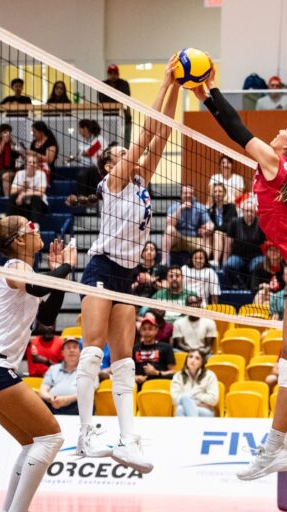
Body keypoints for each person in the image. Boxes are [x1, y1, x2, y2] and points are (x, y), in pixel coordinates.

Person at [195, 60, 287, 480]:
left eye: (286, 132)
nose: (279, 132)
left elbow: (237, 128)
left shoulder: (275, 164)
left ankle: (272, 447)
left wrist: (206, 93)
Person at [73, 61, 179, 473]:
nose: (126, 157)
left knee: (124, 360)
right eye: (118, 156)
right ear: (109, 166)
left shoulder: (139, 185)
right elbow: (147, 133)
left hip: (126, 275)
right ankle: (84, 434)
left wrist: (180, 89)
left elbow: (163, 132)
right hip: (100, 267)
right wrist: (166, 79)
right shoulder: (113, 182)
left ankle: (128, 440)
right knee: (92, 349)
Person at [0, 216, 73, 512]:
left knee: (32, 443)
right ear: (19, 241)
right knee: (51, 437)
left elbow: (48, 316)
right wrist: (66, 266)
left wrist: (58, 275)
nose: (36, 227)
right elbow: (38, 289)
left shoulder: (26, 271)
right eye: (30, 226)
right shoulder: (14, 267)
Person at [161, 184, 213, 265]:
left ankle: (205, 264)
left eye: (190, 193)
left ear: (193, 195)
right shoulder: (174, 207)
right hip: (179, 239)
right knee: (169, 230)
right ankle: (164, 262)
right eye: (185, 193)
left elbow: (209, 223)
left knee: (208, 234)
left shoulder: (200, 207)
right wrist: (180, 209)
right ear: (181, 195)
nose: (188, 195)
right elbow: (169, 224)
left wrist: (208, 227)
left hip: (194, 240)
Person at [39, 337, 86, 416]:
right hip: (52, 405)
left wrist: (67, 400)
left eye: (75, 347)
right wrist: (50, 398)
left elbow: (88, 392)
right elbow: (43, 390)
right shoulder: (53, 369)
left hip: (77, 406)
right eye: (68, 348)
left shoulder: (87, 370)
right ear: (62, 352)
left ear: (80, 352)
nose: (71, 350)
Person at [224, 201, 265, 289]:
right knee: (228, 265)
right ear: (242, 211)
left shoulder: (261, 223)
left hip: (256, 256)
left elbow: (265, 243)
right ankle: (239, 285)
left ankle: (251, 287)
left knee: (258, 265)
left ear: (255, 212)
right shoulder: (234, 222)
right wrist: (224, 259)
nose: (249, 213)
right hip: (238, 256)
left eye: (251, 211)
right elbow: (228, 243)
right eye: (246, 211)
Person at [171, 349, 219, 417]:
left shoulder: (210, 375)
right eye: (190, 357)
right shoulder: (178, 376)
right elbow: (175, 399)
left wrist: (191, 398)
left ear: (201, 363)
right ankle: (194, 426)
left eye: (197, 358)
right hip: (189, 407)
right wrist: (191, 402)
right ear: (186, 359)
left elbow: (213, 399)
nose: (192, 360)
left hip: (205, 411)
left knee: (181, 408)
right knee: (182, 406)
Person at [133, 316, 177, 388]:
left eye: (150, 329)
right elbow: (128, 372)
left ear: (156, 330)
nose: (147, 332)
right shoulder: (134, 349)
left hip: (160, 385)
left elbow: (173, 372)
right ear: (140, 331)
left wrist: (157, 373)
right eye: (144, 329)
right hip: (138, 387)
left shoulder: (166, 347)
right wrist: (135, 377)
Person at [98, 64, 132, 147]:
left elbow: (125, 97)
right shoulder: (103, 84)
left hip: (125, 119)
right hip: (109, 119)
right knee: (110, 143)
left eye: (114, 73)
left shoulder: (124, 84)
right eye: (110, 73)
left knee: (125, 144)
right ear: (108, 74)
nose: (113, 75)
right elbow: (102, 99)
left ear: (118, 74)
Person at [9, 154, 48, 225]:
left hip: (39, 205)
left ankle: (35, 225)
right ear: (26, 164)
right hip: (23, 204)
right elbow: (12, 191)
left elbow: (41, 192)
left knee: (35, 197)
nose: (31, 164)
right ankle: (10, 223)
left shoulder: (41, 174)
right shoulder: (19, 174)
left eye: (34, 162)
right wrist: (22, 188)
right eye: (29, 162)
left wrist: (23, 194)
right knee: (13, 197)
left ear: (37, 165)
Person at [207, 182, 238, 267]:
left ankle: (216, 262)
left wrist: (213, 228)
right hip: (215, 236)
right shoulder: (210, 210)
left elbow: (228, 226)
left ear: (224, 193)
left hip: (230, 235)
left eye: (220, 191)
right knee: (208, 234)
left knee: (217, 233)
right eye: (215, 191)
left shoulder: (231, 207)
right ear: (213, 193)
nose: (218, 194)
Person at [0, 123, 20, 197]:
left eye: (9, 132)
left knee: (6, 176)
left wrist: (12, 146)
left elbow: (16, 156)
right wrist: (3, 142)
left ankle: (7, 199)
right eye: (5, 132)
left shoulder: (12, 144)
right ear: (0, 134)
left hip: (9, 170)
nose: (7, 134)